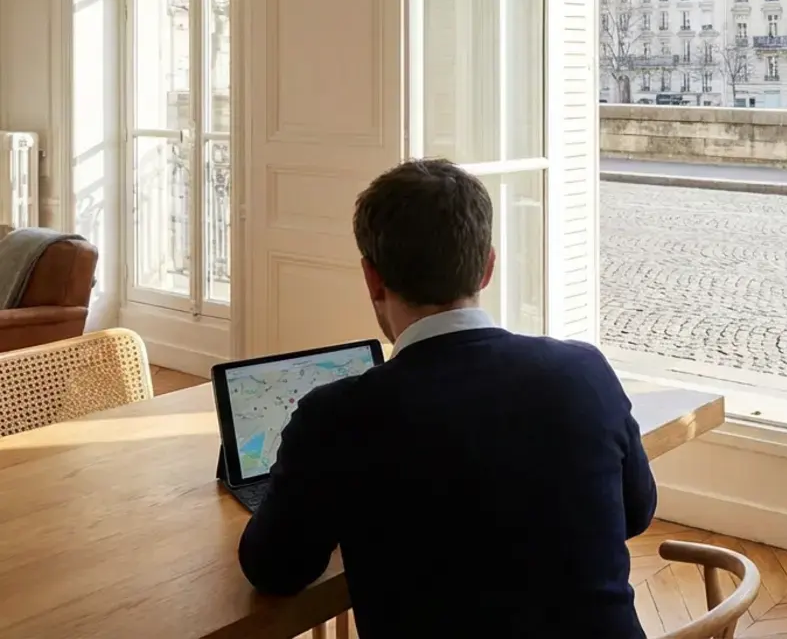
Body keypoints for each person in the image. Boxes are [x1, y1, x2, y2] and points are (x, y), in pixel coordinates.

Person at [238, 158, 655, 638]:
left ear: (372, 279)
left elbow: (274, 569)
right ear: (488, 267)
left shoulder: (336, 418)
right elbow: (636, 511)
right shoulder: (585, 371)